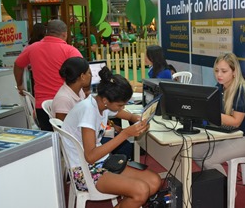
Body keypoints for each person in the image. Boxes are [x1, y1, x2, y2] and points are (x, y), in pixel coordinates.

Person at [62, 67, 160, 207]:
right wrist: (126, 133)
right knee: (141, 191)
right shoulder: (88, 112)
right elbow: (90, 157)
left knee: (154, 181)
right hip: (84, 171)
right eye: (120, 105)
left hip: (101, 163)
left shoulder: (100, 104)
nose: (122, 108)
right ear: (106, 100)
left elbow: (120, 113)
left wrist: (135, 117)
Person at [192, 53, 245, 175]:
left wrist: (209, 112)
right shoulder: (220, 88)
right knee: (192, 152)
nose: (219, 75)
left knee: (208, 160)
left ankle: (226, 192)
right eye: (216, 71)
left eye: (224, 71)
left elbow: (236, 121)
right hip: (230, 134)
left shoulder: (242, 90)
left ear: (234, 72)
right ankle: (214, 183)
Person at [14, 19, 82, 131]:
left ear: (47, 32)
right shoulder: (70, 51)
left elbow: (18, 64)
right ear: (65, 34)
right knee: (70, 141)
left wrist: (20, 84)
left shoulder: (32, 48)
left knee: (50, 142)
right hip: (66, 105)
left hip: (42, 107)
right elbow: (82, 72)